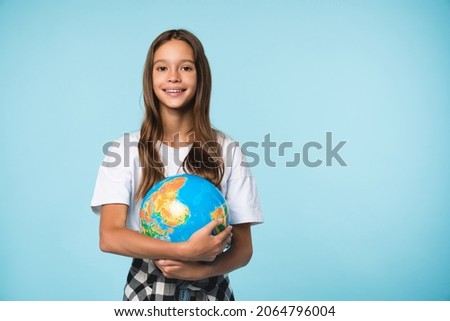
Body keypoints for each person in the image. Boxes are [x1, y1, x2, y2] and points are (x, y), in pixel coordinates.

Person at [90, 29, 263, 301]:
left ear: (200, 77)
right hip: (147, 291)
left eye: (185, 67)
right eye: (162, 68)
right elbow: (109, 237)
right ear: (150, 78)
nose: (173, 76)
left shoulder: (227, 150)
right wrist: (184, 252)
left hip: (211, 292)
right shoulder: (124, 149)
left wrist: (202, 271)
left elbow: (244, 249)